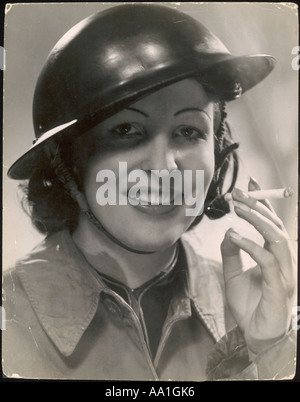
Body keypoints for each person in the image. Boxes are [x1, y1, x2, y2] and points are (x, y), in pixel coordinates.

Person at [2, 4, 296, 380]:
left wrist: (269, 349)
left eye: (189, 131)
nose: (164, 168)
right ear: (66, 161)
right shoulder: (8, 317)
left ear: (218, 152)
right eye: (126, 130)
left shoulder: (253, 305)